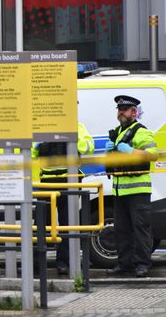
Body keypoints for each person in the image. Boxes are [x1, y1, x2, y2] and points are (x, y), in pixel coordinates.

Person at [105, 95, 158, 278]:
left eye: (125, 109)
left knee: (140, 229)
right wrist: (109, 152)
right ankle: (124, 264)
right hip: (120, 190)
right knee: (122, 230)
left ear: (134, 112)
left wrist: (131, 151)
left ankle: (143, 264)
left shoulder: (141, 132)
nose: (121, 112)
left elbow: (152, 155)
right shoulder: (118, 132)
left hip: (138, 190)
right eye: (119, 109)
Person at [32, 122, 94, 275]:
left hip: (69, 181)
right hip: (47, 182)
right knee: (41, 223)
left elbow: (88, 147)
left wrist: (73, 137)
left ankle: (64, 262)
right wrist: (37, 144)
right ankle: (36, 263)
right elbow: (32, 153)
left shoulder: (77, 125)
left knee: (68, 223)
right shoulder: (42, 126)